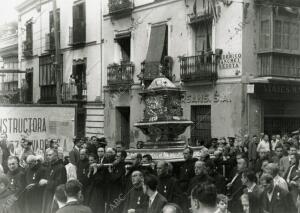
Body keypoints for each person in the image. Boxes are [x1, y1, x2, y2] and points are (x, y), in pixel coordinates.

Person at [41, 149, 67, 213]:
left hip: (55, 195)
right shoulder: (49, 166)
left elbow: (60, 183)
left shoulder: (61, 167)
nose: (48, 157)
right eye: (47, 155)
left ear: (56, 156)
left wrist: (47, 182)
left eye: (50, 155)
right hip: (47, 194)